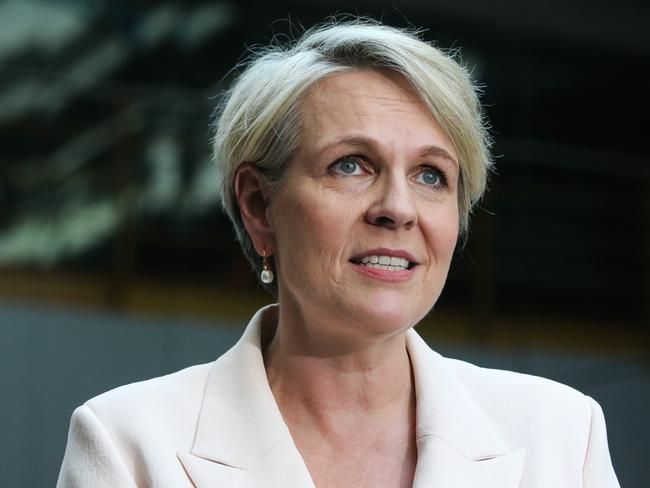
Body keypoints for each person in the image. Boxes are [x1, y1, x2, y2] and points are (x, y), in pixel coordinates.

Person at [57, 18, 620, 488]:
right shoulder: (127, 442)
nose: (397, 208)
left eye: (431, 175)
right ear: (258, 205)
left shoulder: (565, 437)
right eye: (350, 164)